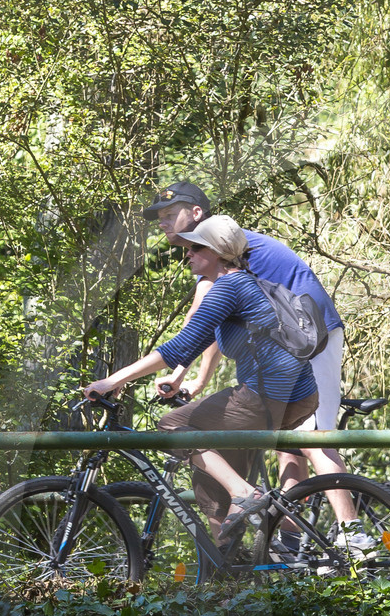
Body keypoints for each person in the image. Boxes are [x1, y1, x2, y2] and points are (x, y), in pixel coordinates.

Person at [78, 216, 317, 554]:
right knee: (210, 474)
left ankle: (245, 494)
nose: (186, 254)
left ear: (219, 252)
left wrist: (111, 380)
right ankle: (230, 571)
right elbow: (197, 343)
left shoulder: (229, 287)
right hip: (294, 397)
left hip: (267, 399)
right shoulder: (244, 283)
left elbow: (177, 347)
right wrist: (182, 379)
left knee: (173, 425)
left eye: (195, 247)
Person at [142, 181, 347, 472]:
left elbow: (196, 321)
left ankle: (349, 520)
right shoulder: (207, 250)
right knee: (286, 445)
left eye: (170, 214)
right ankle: (293, 518)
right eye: (159, 217)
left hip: (312, 335)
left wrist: (177, 375)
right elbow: (215, 324)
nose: (162, 223)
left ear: (197, 212)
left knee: (313, 438)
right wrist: (195, 380)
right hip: (288, 343)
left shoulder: (217, 244)